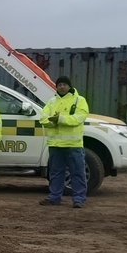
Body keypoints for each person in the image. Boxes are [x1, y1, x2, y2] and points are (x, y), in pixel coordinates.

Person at [38, 75, 90, 208]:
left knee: (77, 172)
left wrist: (59, 119)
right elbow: (43, 118)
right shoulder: (51, 101)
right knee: (55, 173)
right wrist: (52, 122)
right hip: (55, 145)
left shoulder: (79, 100)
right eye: (59, 84)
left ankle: (79, 199)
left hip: (73, 145)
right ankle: (54, 197)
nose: (62, 87)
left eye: (64, 84)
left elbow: (78, 118)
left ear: (69, 86)